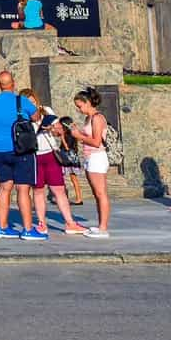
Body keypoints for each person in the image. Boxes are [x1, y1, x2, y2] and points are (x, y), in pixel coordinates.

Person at [0, 68, 39, 239]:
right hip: (19, 149)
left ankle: (2, 227)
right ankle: (28, 229)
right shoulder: (21, 100)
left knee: (4, 187)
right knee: (23, 189)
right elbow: (36, 117)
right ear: (13, 83)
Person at [29, 92, 83, 235]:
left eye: (33, 101)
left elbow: (59, 131)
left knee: (58, 189)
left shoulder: (46, 111)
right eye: (28, 102)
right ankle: (42, 224)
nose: (31, 105)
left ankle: (70, 223)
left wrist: (51, 129)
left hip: (50, 154)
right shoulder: (22, 115)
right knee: (38, 190)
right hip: (34, 156)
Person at [70, 87, 113, 238]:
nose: (79, 110)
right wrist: (78, 133)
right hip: (89, 158)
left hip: (97, 157)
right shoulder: (89, 118)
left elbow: (96, 141)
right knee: (97, 193)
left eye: (80, 106)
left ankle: (103, 228)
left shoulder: (97, 118)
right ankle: (101, 224)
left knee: (101, 193)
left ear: (87, 102)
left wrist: (79, 136)